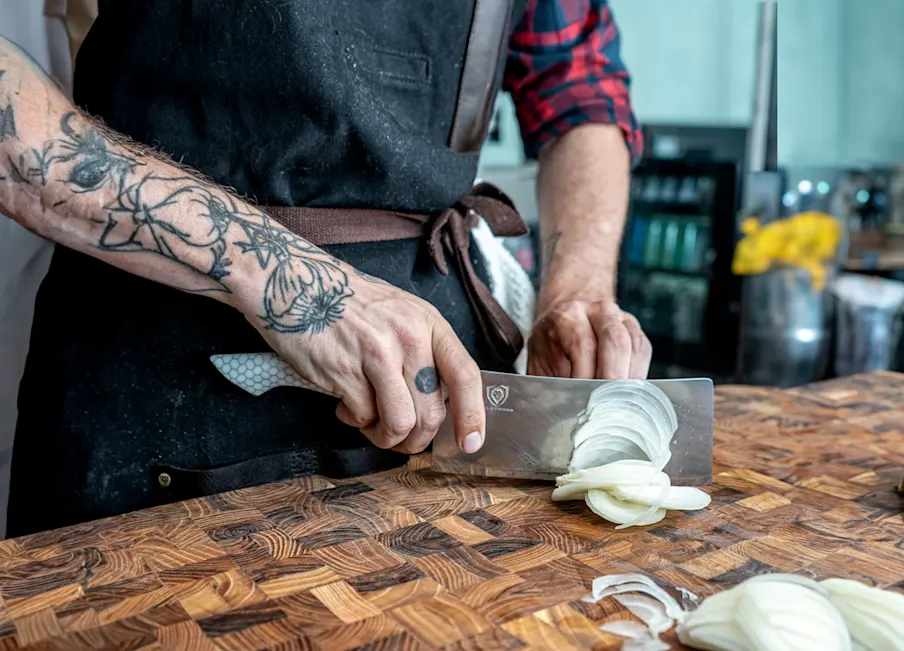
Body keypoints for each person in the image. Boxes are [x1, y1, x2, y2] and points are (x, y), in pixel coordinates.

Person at [0, 0, 650, 537]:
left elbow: (578, 85)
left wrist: (579, 286)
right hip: (159, 386)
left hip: (437, 409)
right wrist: (290, 281)